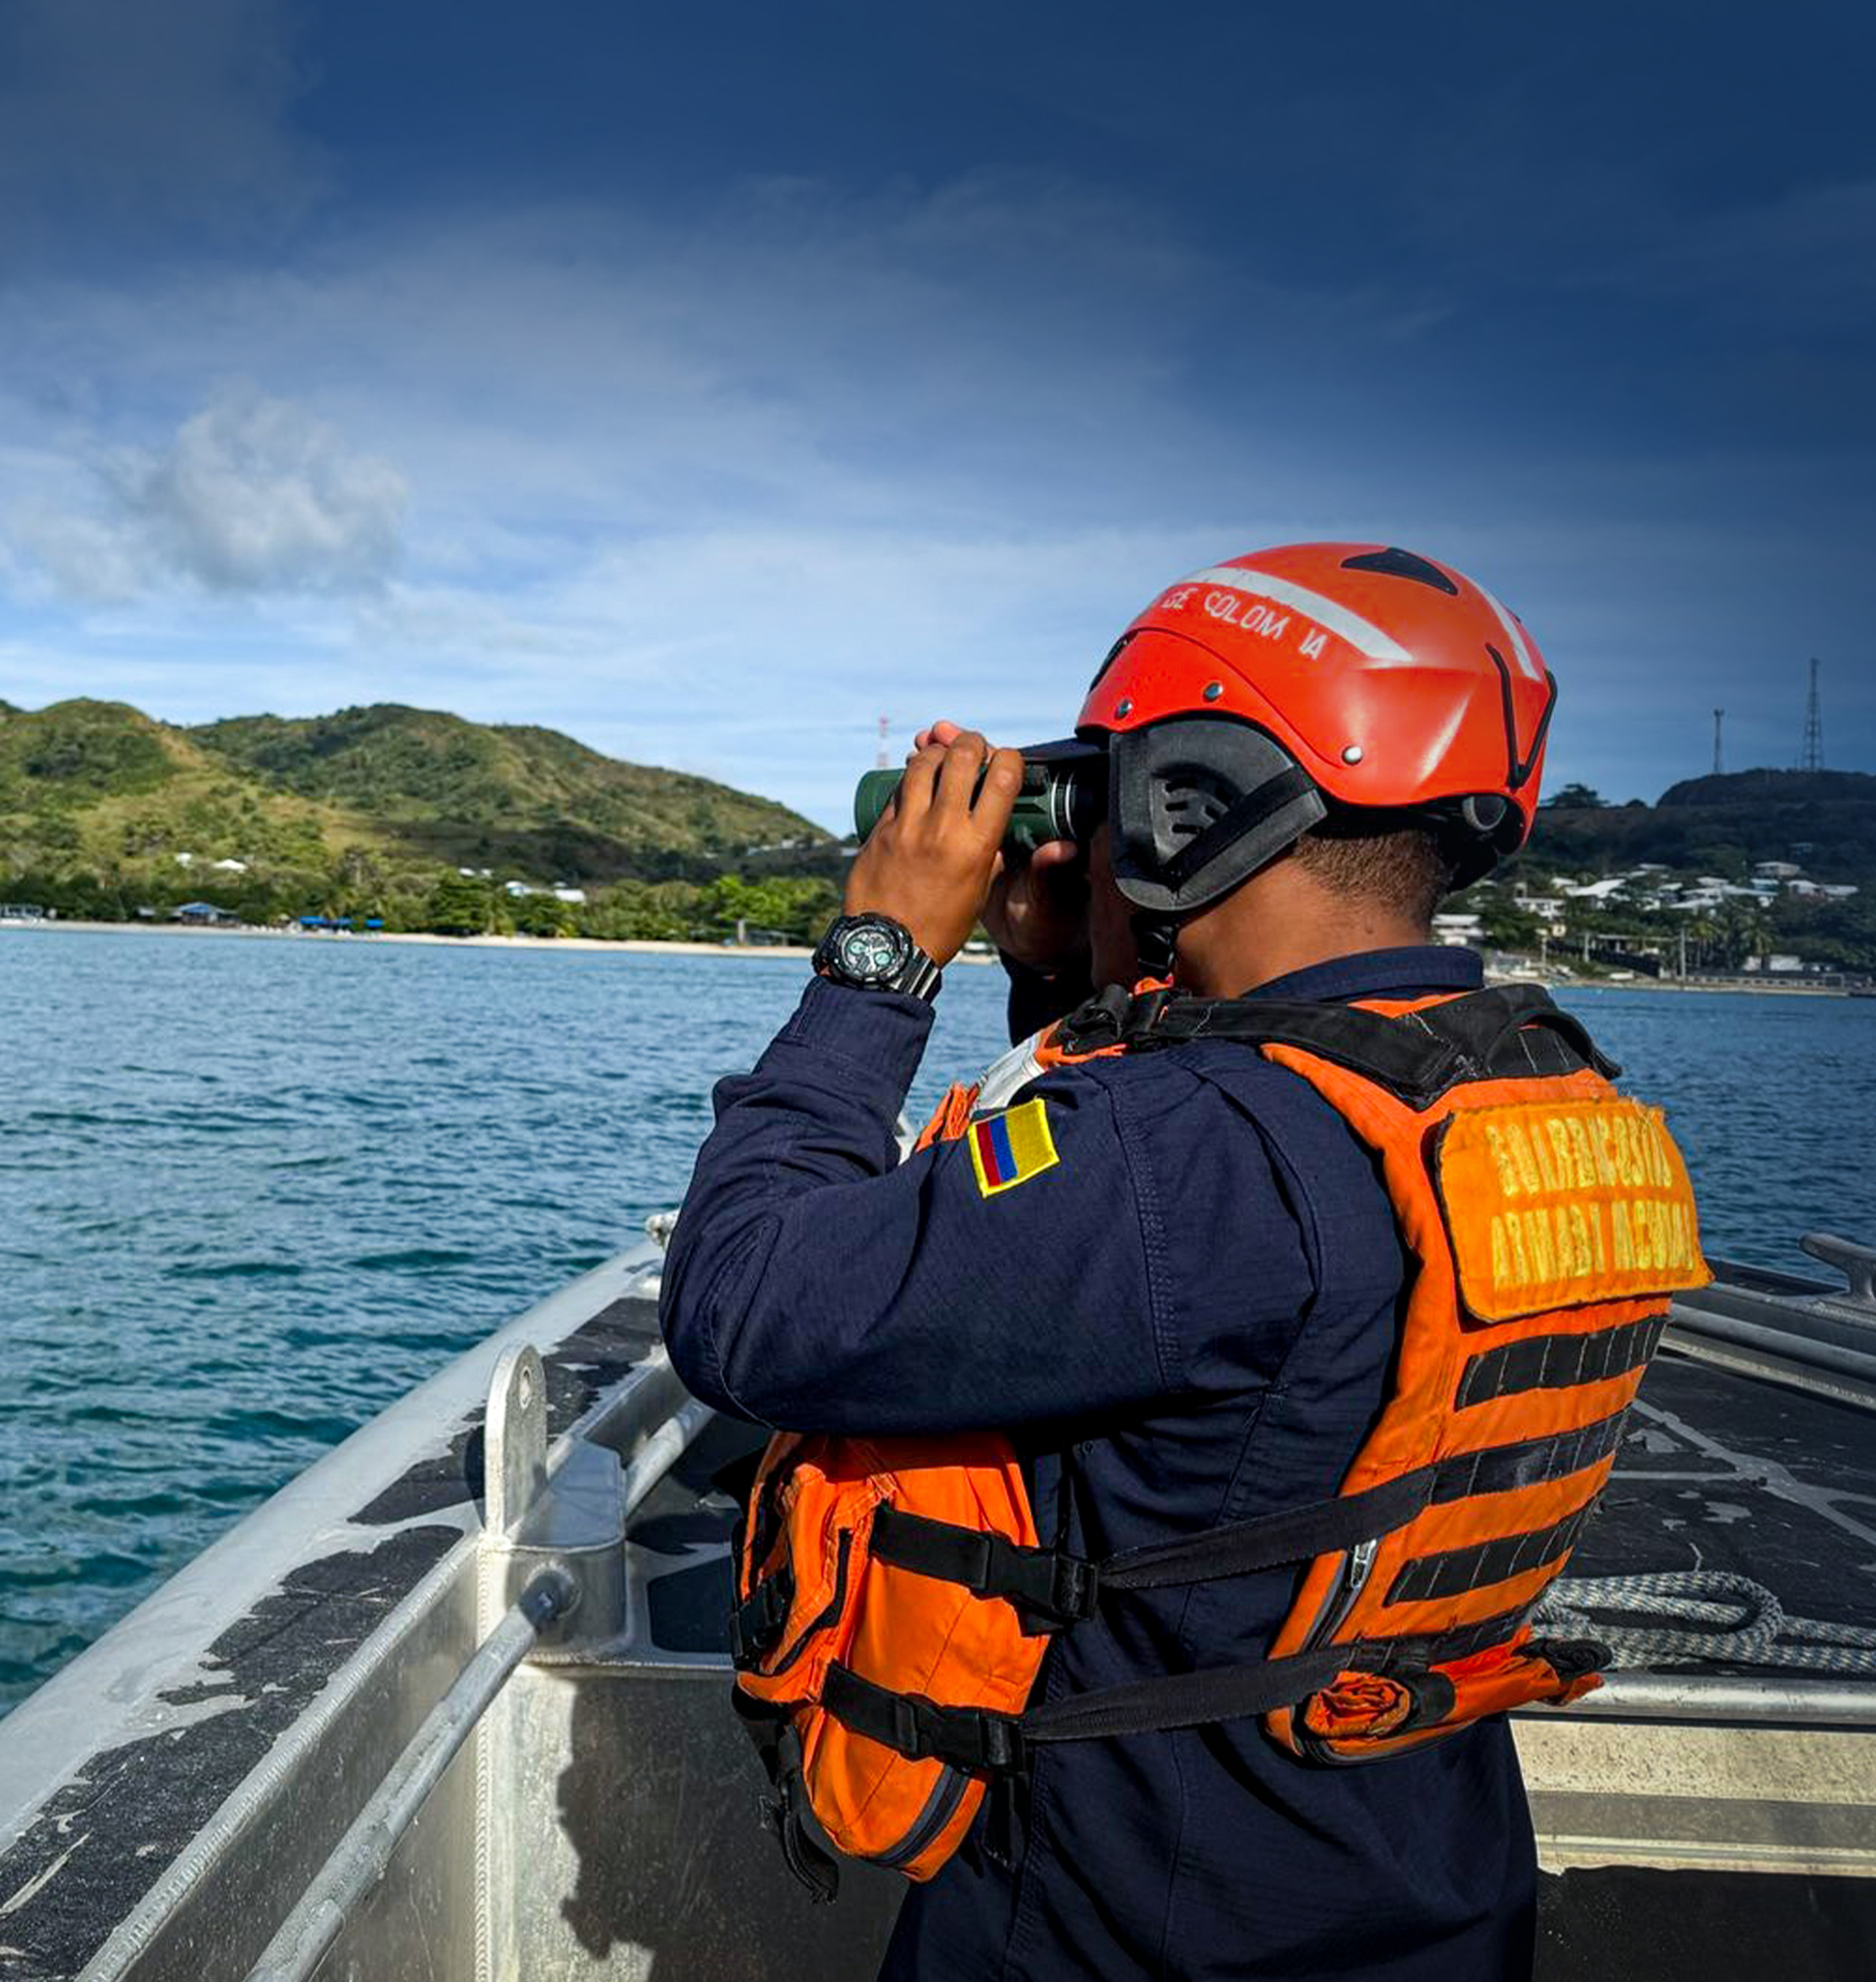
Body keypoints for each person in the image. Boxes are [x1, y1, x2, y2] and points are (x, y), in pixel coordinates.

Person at [659, 544, 1682, 1981]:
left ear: (1186, 806)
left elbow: (745, 1303)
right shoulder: (1526, 1098)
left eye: (1112, 786)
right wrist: (1063, 965)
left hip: (1128, 1929)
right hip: (1417, 1893)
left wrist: (879, 956)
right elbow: (1149, 1259)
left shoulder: (1188, 1153)